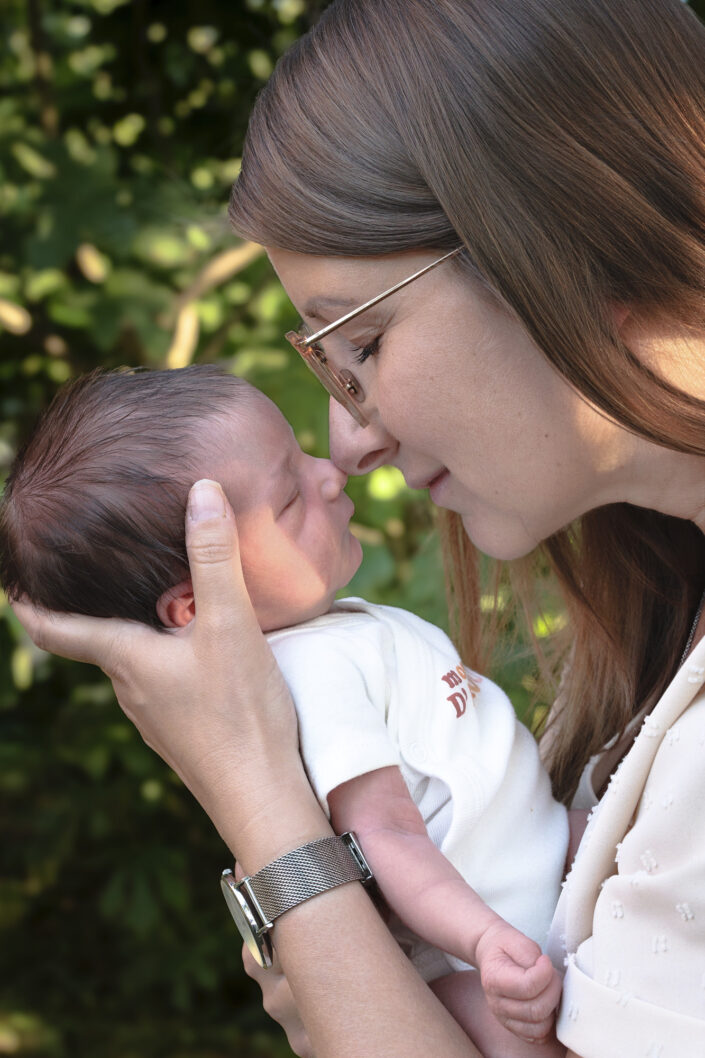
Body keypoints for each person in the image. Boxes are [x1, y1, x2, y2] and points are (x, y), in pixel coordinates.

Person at [10, 0, 705, 1055]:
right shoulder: (658, 644)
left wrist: (276, 838)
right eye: (327, 365)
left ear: (561, 245)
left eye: (364, 343)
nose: (351, 438)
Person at [1, 366, 570, 1057]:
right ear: (202, 603)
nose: (329, 474)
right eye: (288, 500)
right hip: (477, 954)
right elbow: (384, 835)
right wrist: (481, 941)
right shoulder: (311, 674)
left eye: (302, 454)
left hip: (537, 885)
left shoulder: (339, 630)